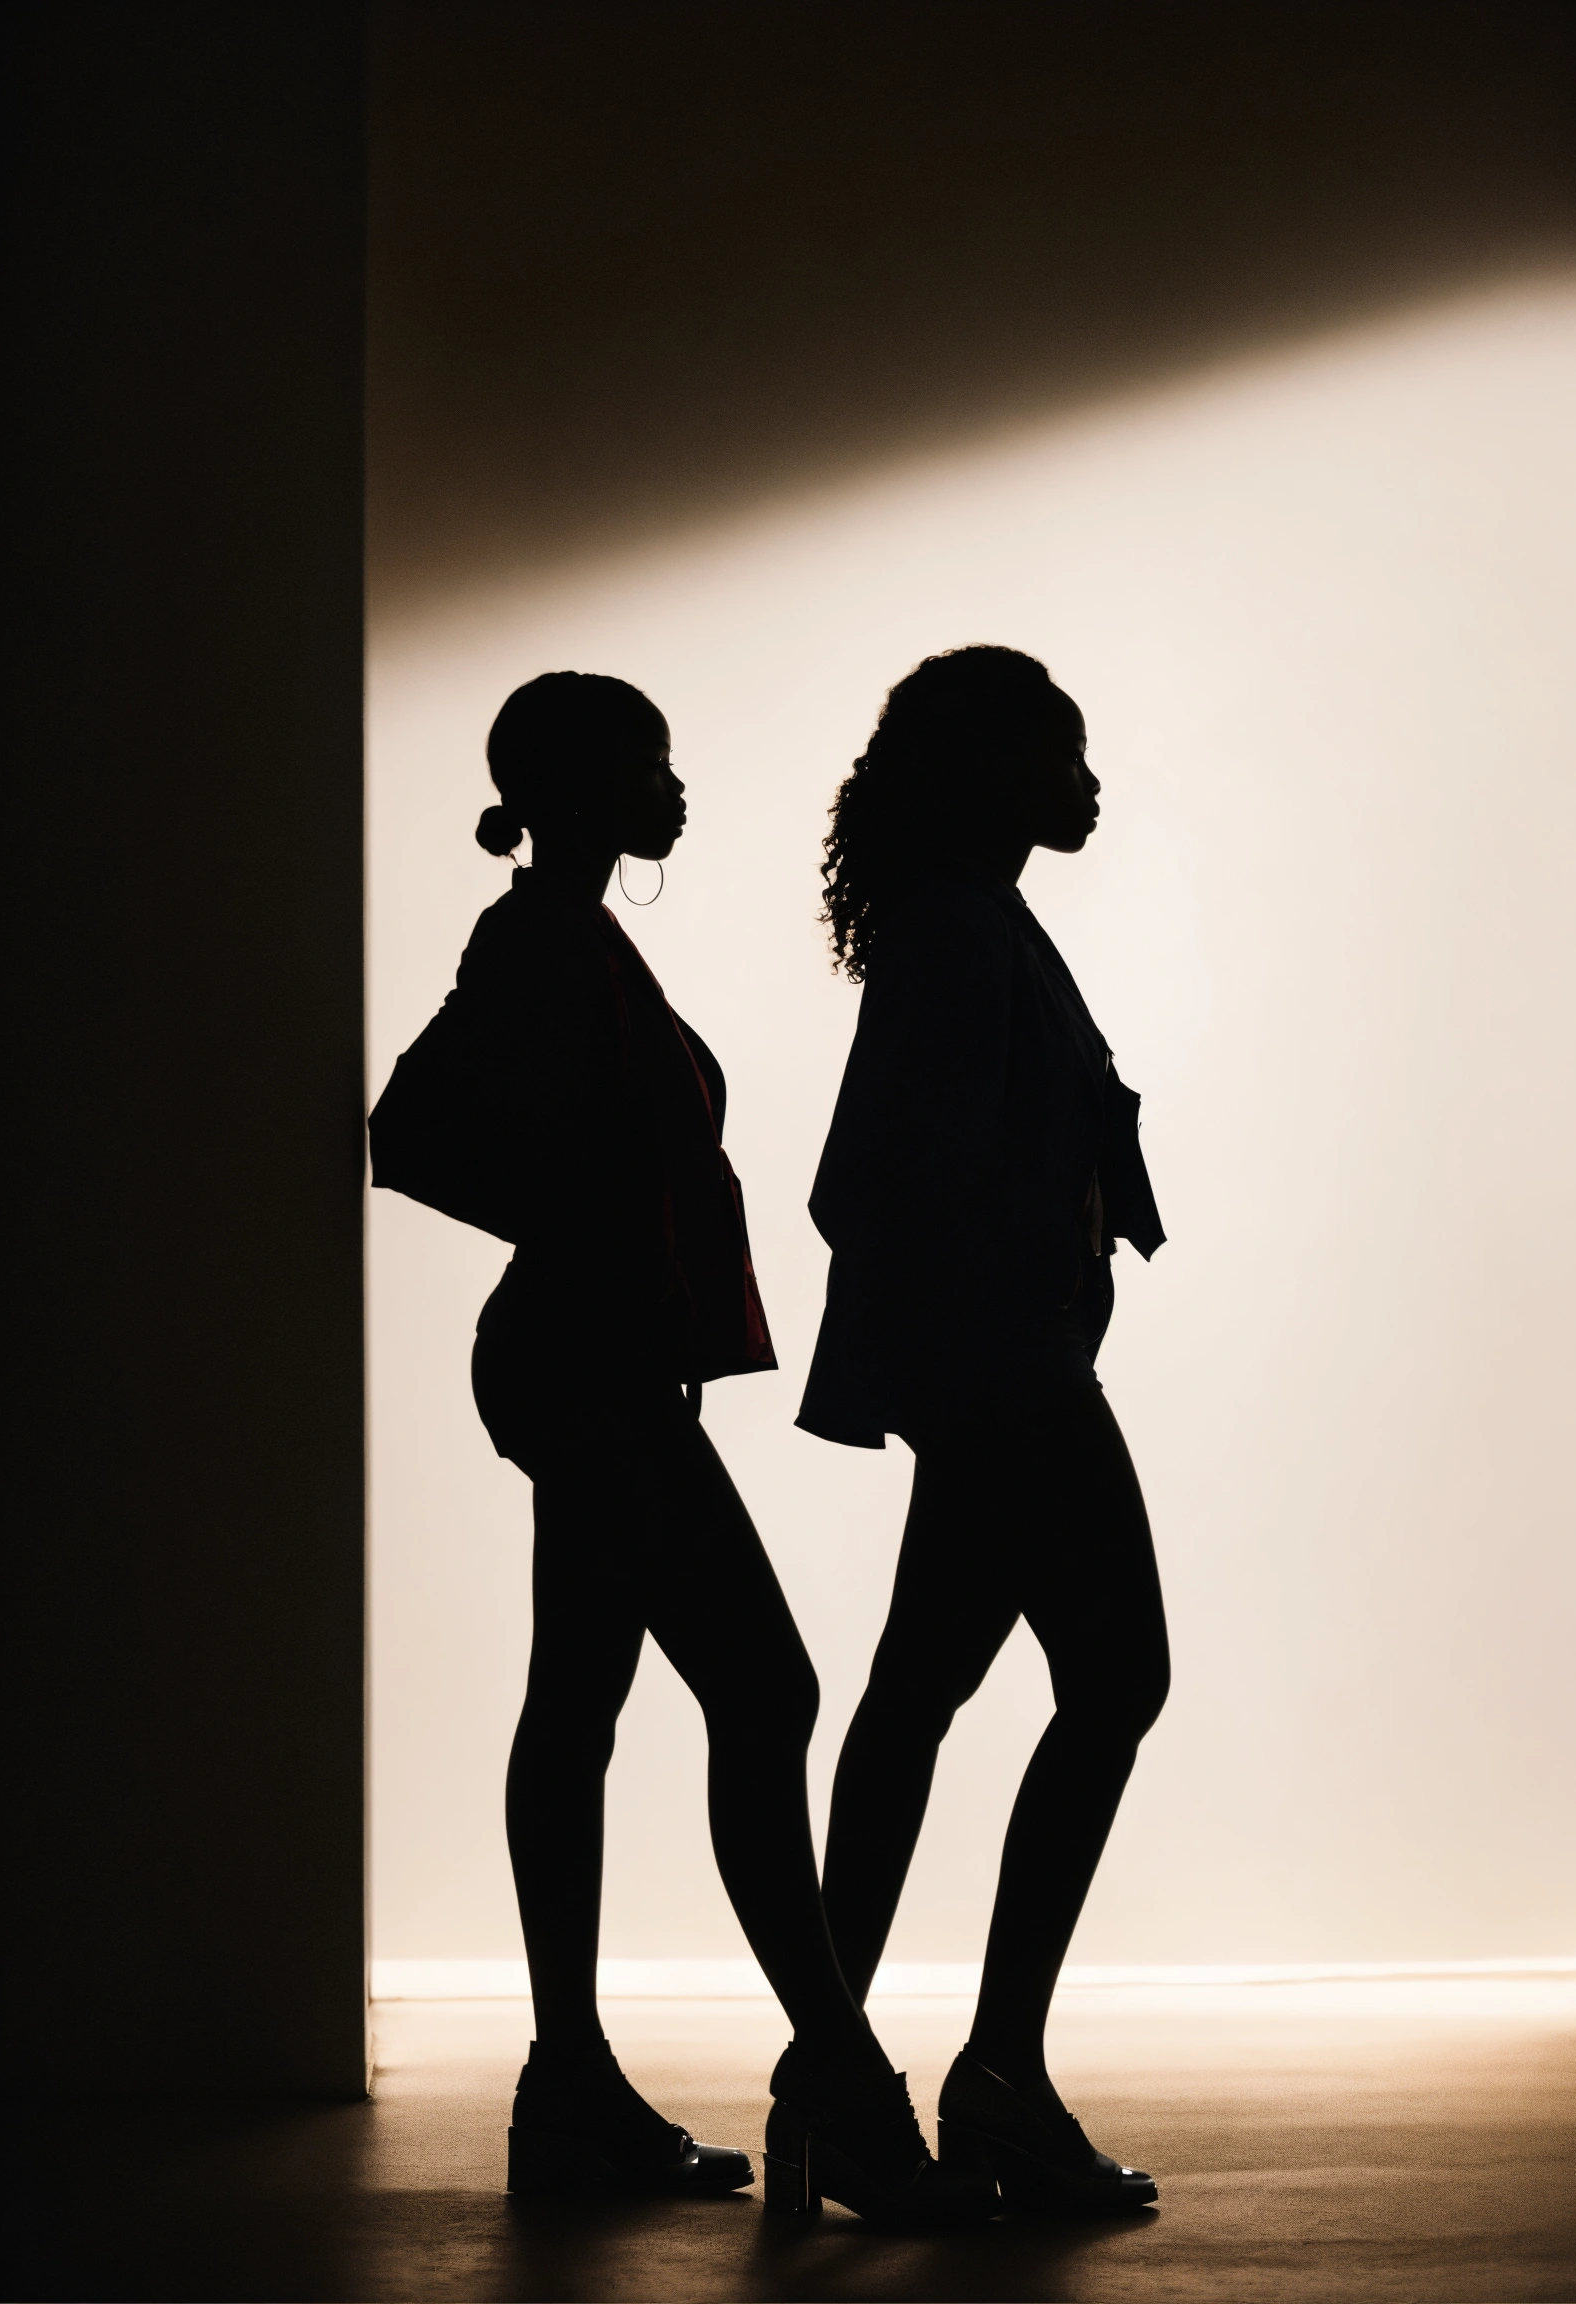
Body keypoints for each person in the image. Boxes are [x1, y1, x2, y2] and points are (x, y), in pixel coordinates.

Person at [368, 671, 991, 2223]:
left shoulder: (573, 938)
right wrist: (577, 1232)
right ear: (579, 791)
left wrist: (589, 1232)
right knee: (764, 1688)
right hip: (588, 1377)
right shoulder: (533, 938)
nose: (678, 781)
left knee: (576, 1702)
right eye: (650, 758)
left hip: (601, 1375)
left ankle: (569, 2085)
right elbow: (410, 1127)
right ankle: (838, 2084)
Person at [798, 645, 1168, 2216]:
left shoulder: (967, 924)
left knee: (913, 1702)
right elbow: (867, 1178)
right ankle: (987, 2073)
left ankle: (835, 2072)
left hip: (990, 1383)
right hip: (1015, 1385)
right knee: (1112, 1680)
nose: (1089, 782)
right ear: (998, 769)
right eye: (1064, 752)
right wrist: (1000, 1341)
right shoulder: (962, 937)